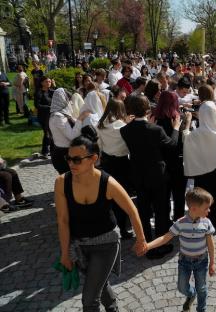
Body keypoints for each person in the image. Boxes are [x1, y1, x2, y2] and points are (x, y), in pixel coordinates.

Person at [54, 126, 147, 312]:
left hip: (106, 244)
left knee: (89, 300)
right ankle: (113, 309)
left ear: (93, 159)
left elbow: (131, 210)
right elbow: (63, 221)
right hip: (79, 246)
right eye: (69, 158)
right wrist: (65, 253)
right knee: (99, 283)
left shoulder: (108, 182)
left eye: (77, 159)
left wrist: (141, 239)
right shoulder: (61, 182)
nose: (71, 163)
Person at [120, 95, 181, 259]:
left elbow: (140, 136)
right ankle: (160, 245)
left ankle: (144, 242)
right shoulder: (155, 130)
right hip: (157, 175)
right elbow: (172, 145)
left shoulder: (124, 129)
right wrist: (176, 127)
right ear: (148, 110)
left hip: (139, 175)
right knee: (161, 210)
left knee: (144, 210)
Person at [147, 187, 216, 312]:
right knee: (182, 287)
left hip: (201, 261)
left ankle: (202, 309)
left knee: (202, 288)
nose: (209, 210)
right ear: (194, 208)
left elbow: (210, 244)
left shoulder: (206, 223)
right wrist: (148, 246)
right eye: (206, 208)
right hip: (184, 261)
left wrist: (212, 262)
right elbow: (165, 238)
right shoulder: (180, 223)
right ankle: (191, 294)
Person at [183, 85, 216, 231]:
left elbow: (187, 138)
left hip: (203, 171)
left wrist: (187, 123)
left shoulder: (199, 133)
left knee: (203, 196)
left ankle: (205, 221)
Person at [96, 98, 133, 239]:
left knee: (111, 195)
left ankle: (119, 226)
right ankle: (125, 226)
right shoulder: (122, 126)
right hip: (122, 163)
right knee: (124, 194)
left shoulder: (100, 124)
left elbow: (99, 145)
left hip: (107, 162)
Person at [152, 91, 187, 221]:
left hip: (161, 162)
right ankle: (179, 219)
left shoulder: (154, 118)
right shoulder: (178, 117)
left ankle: (164, 221)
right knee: (179, 195)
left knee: (164, 196)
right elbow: (182, 142)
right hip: (176, 161)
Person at [49, 88, 88, 174]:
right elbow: (72, 136)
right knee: (69, 182)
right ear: (62, 100)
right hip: (63, 154)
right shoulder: (58, 117)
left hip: (66, 152)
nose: (70, 102)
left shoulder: (61, 114)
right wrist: (80, 119)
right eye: (68, 99)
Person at [34, 76, 55, 157]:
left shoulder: (51, 91)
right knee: (47, 133)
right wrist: (49, 107)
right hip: (43, 116)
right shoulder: (39, 92)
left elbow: (59, 95)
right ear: (42, 83)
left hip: (52, 115)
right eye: (46, 81)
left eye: (49, 81)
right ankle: (45, 151)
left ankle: (50, 149)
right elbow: (37, 105)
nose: (48, 83)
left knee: (52, 133)